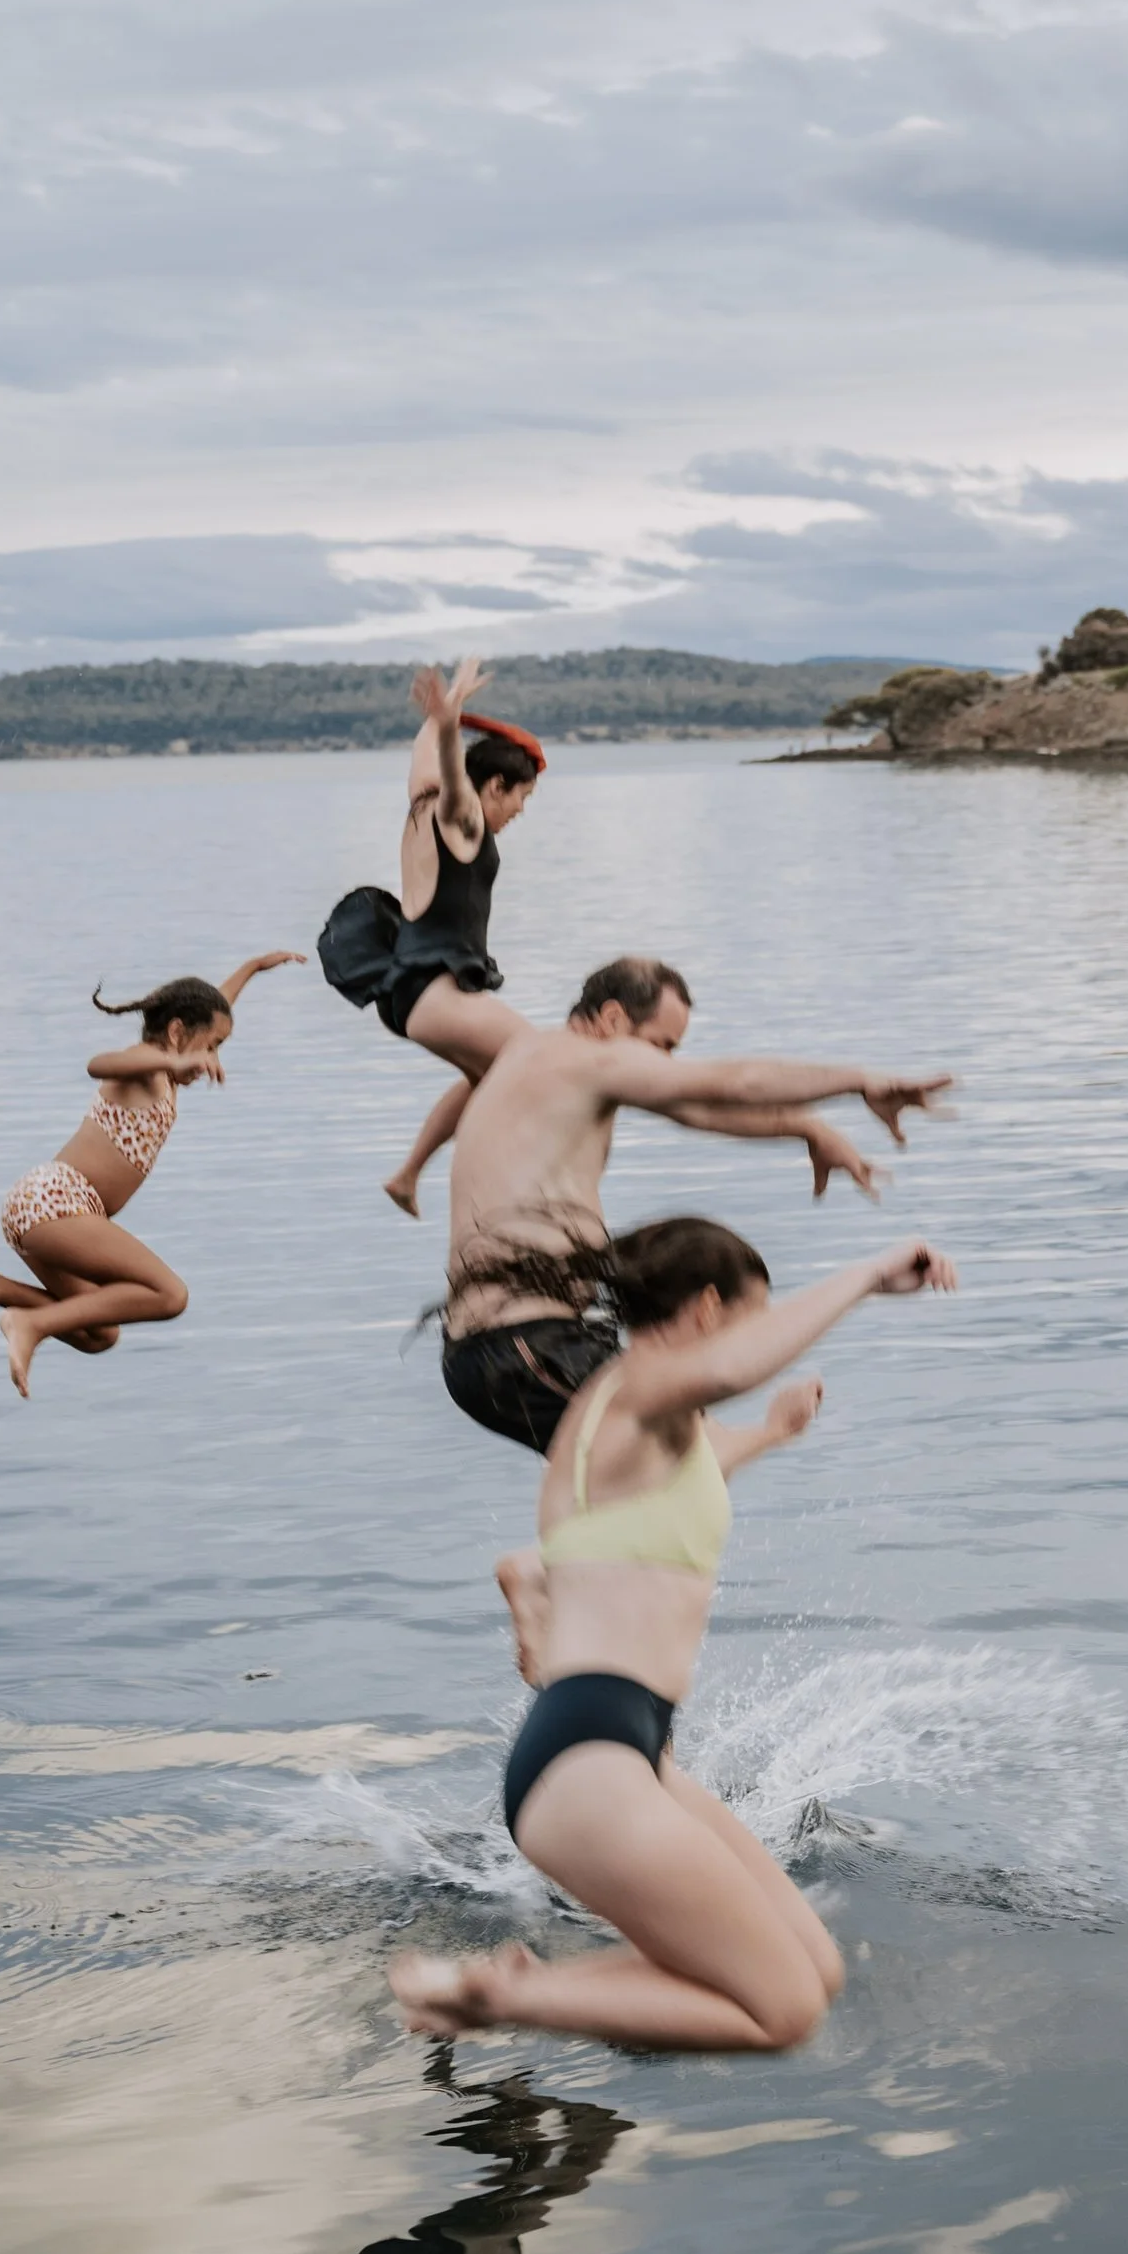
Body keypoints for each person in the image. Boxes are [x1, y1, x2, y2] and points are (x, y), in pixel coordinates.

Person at [392, 1215, 957, 2053]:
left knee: (814, 1969)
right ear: (705, 1307)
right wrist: (870, 1275)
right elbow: (729, 1367)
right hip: (588, 1760)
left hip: (629, 1748)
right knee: (783, 2011)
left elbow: (696, 1469)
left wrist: (774, 1433)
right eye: (752, 1318)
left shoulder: (642, 1428)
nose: (756, 1342)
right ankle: (497, 1999)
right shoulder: (632, 1389)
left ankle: (510, 1990)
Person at [436, 954, 948, 1453]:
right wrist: (860, 1081)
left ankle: (767, 1437)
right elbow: (733, 1082)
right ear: (612, 1017)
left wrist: (805, 1126)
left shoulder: (547, 1063)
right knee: (689, 1459)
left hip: (510, 1349)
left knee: (678, 1465)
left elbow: (695, 1107)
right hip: (525, 1346)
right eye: (662, 1046)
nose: (666, 1064)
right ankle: (774, 1431)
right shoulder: (578, 1059)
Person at [0, 950, 300, 1397]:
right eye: (211, 1046)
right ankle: (29, 1324)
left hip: (41, 1208)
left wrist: (254, 967)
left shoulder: (168, 1065)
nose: (210, 1060)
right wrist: (171, 1062)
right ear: (175, 1033)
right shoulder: (148, 1065)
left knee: (101, 1333)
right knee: (170, 1295)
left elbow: (214, 1009)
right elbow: (100, 1064)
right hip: (57, 1202)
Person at [316, 655, 545, 1216]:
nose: (520, 811)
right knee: (545, 1060)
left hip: (412, 999)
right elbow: (449, 767)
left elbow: (430, 753)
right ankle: (506, 1190)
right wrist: (448, 728)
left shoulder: (420, 800)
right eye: (521, 797)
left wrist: (453, 706)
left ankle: (408, 1174)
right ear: (494, 785)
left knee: (486, 1080)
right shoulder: (461, 818)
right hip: (435, 994)